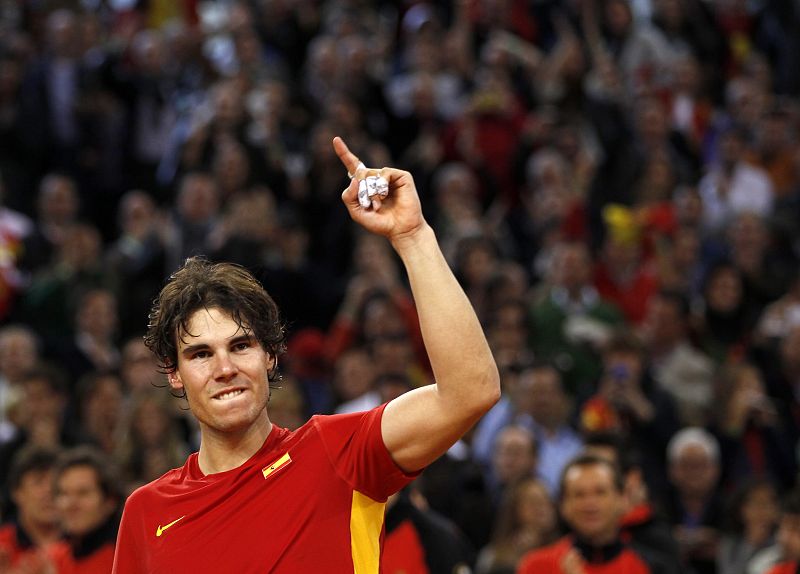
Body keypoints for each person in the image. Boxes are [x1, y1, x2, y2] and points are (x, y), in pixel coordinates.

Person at [112, 136, 501, 572]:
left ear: (271, 356)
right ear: (174, 373)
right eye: (201, 354)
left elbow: (472, 390)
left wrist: (413, 237)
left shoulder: (337, 453)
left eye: (241, 346)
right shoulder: (146, 512)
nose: (225, 368)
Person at [516, 454, 661, 574]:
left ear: (622, 499)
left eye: (600, 492)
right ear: (563, 506)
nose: (590, 504)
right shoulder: (536, 567)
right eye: (579, 494)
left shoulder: (649, 567)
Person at [49, 446, 122, 573]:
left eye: (83, 493)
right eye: (64, 494)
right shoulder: (52, 560)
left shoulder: (125, 559)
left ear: (110, 501)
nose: (70, 504)